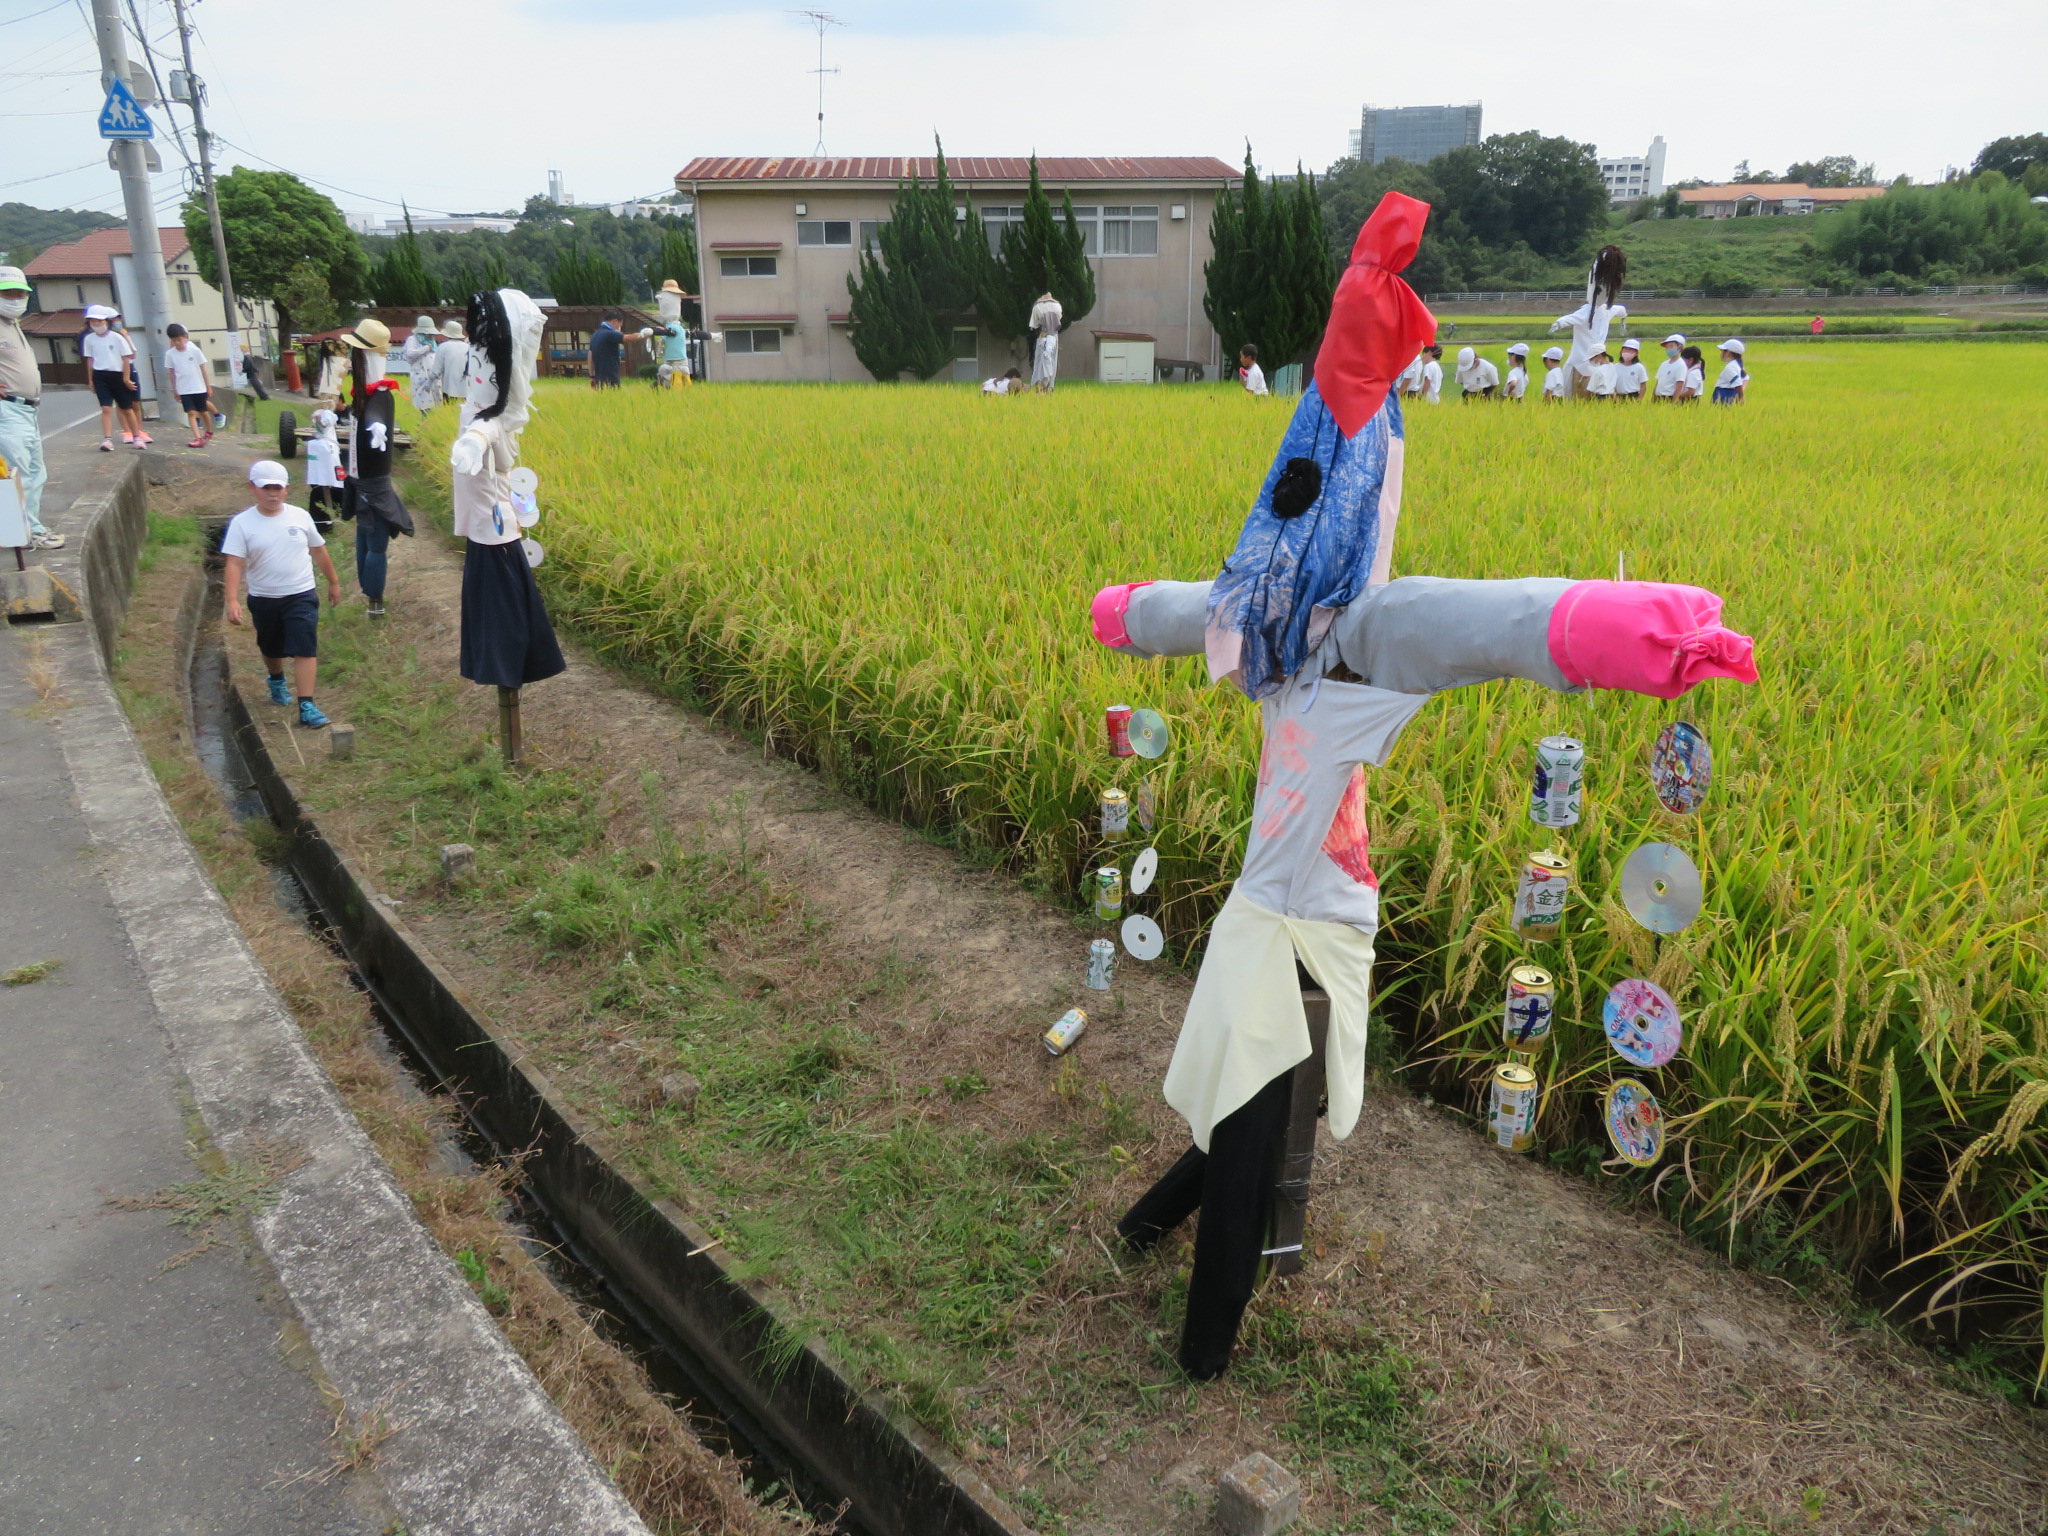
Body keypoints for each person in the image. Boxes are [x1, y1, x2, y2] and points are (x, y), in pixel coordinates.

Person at [1085, 189, 1761, 1382]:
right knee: (1249, 1115)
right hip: (1285, 919)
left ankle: (1154, 1251)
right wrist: (1125, 616)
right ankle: (1200, 1340)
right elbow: (1196, 607)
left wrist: (1641, 635)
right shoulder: (1281, 629)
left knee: (1256, 1099)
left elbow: (1496, 619)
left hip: (1311, 911)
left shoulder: (1349, 637)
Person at [448, 287, 566, 694]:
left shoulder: (492, 419)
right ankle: (506, 683)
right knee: (500, 619)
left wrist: (472, 443)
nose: (475, 369)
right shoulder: (479, 409)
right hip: (490, 535)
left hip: (495, 536)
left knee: (504, 624)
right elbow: (481, 425)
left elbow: (486, 430)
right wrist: (470, 440)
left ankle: (508, 686)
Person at [222, 458, 341, 730]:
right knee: (271, 647)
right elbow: (234, 563)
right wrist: (232, 600)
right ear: (252, 488)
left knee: (304, 647)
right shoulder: (242, 523)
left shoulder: (300, 516)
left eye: (278, 488)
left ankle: (307, 704)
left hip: (301, 594)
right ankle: (276, 680)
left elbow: (319, 550)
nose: (273, 494)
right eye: (266, 488)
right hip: (264, 598)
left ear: (287, 489)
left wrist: (333, 582)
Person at [338, 317, 414, 617]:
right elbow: (373, 418)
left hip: (366, 482)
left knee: (370, 540)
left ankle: (374, 600)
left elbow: (376, 417)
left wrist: (376, 426)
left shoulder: (377, 394)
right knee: (371, 542)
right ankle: (374, 601)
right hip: (366, 484)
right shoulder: (366, 393)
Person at [0, 264, 61, 549]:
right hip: (7, 411)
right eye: (7, 293)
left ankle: (29, 530)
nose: (15, 299)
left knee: (35, 472)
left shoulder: (13, 325)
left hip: (27, 410)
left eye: (19, 293)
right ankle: (23, 534)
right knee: (17, 473)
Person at [1550, 246, 1627, 399]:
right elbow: (1571, 318)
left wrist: (1623, 316)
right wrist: (1559, 323)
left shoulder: (1605, 310)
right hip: (1581, 361)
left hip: (1593, 361)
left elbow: (1619, 310)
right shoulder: (1587, 312)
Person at [82, 306, 146, 451]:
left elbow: (126, 359)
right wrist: (91, 380)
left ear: (106, 321)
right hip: (100, 376)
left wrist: (126, 378)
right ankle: (107, 439)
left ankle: (136, 436)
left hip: (117, 375)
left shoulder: (117, 337)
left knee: (127, 408)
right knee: (106, 408)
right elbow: (90, 360)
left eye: (99, 321)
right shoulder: (89, 339)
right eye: (93, 321)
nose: (96, 324)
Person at [162, 324, 214, 447]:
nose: (177, 343)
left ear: (185, 337)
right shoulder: (170, 354)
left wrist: (208, 386)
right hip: (184, 389)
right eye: (174, 340)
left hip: (199, 387)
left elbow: (203, 369)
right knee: (191, 413)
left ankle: (209, 430)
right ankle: (197, 438)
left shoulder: (195, 350)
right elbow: (172, 373)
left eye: (179, 339)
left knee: (203, 412)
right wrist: (175, 390)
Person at [303, 408, 343, 532]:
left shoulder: (320, 444)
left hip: (325, 480)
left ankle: (326, 521)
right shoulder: (322, 444)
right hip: (324, 481)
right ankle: (325, 521)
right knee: (324, 493)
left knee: (325, 492)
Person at [401, 316, 442, 412]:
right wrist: (425, 348)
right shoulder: (412, 339)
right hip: (420, 375)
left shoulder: (432, 341)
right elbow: (409, 353)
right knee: (423, 400)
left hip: (433, 376)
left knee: (435, 400)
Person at [1028, 292, 1062, 392]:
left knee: (1039, 364)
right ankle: (1050, 386)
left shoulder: (1037, 306)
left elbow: (1034, 324)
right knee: (1052, 362)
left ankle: (1039, 386)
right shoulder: (1058, 306)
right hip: (1054, 337)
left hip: (1042, 335)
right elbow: (1058, 319)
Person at [588, 311, 626, 389]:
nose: (621, 326)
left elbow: (590, 356)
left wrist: (592, 376)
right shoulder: (609, 334)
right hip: (611, 376)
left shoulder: (595, 334)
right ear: (615, 321)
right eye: (620, 323)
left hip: (599, 377)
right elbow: (627, 338)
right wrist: (648, 332)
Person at [438, 318, 469, 402]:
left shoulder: (443, 347)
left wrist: (429, 383)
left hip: (448, 388)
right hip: (466, 389)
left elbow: (437, 370)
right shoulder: (468, 347)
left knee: (448, 411)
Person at [312, 339, 348, 410]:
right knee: (329, 412)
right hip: (334, 391)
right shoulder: (344, 362)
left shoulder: (325, 360)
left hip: (324, 389)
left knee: (324, 412)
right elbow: (343, 375)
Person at [1713, 339, 1749, 404]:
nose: (1721, 354)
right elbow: (1746, 378)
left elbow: (1738, 383)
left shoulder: (1730, 367)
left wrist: (1741, 398)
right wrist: (1740, 393)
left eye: (1722, 351)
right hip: (1730, 394)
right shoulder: (1738, 365)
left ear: (1728, 352)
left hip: (1724, 395)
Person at [1653, 334, 1688, 401]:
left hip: (1669, 398)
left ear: (1680, 347)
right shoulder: (1664, 364)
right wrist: (1653, 399)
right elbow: (1658, 383)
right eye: (1667, 347)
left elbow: (1679, 386)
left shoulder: (1680, 365)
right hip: (1659, 398)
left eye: (1671, 346)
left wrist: (1673, 404)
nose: (1668, 349)